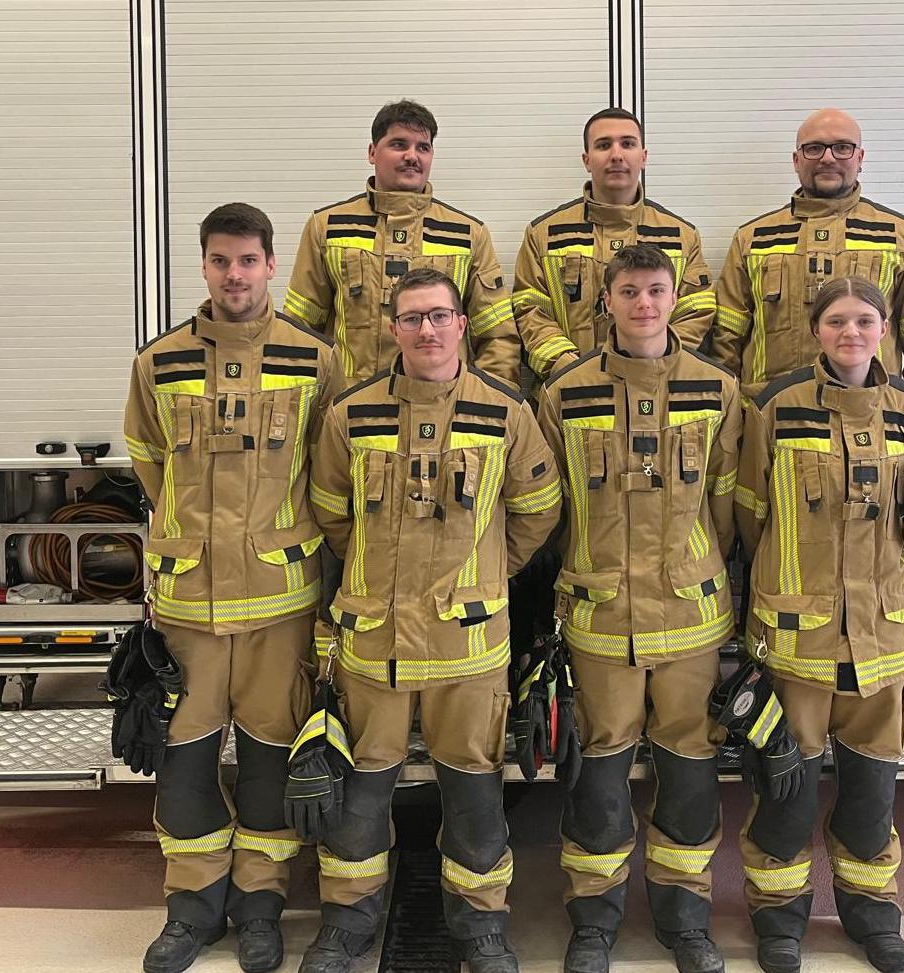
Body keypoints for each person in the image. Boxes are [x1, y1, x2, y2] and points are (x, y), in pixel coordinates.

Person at [301, 267, 562, 973]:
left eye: (439, 315)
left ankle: (481, 927)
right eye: (413, 317)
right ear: (393, 328)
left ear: (461, 324)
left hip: (468, 646)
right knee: (361, 794)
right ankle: (347, 923)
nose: (427, 329)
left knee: (475, 793)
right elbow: (330, 512)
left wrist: (487, 571)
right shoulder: (350, 414)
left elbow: (538, 509)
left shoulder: (506, 412)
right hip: (373, 642)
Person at [124, 203, 336, 973]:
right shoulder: (160, 361)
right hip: (189, 605)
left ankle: (259, 909)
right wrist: (191, 538)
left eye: (248, 260)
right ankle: (191, 910)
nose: (234, 274)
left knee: (269, 761)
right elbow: (150, 459)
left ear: (272, 264)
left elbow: (329, 470)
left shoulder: (315, 359)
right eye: (221, 260)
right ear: (204, 266)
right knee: (184, 763)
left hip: (281, 602)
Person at [536, 244, 741, 973]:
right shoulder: (565, 394)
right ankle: (593, 920)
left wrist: (700, 572)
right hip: (598, 616)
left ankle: (686, 919)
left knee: (688, 769)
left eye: (656, 289)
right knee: (599, 770)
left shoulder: (718, 390)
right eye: (629, 291)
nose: (644, 303)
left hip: (689, 617)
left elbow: (727, 506)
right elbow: (550, 509)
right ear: (607, 301)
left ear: (675, 297)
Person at [733, 276, 904, 973]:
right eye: (836, 321)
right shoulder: (775, 406)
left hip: (883, 638)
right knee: (785, 792)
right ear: (816, 330)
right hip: (799, 638)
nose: (850, 332)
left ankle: (872, 913)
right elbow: (751, 513)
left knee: (870, 794)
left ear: (884, 329)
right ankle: (778, 917)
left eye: (863, 320)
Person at [713, 108, 904, 427]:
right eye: (814, 148)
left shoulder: (900, 236)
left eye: (842, 147)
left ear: (860, 157)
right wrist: (729, 428)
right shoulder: (753, 239)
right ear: (796, 160)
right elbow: (724, 343)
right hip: (770, 422)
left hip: (872, 423)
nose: (827, 158)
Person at [285, 100, 521, 386]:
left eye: (423, 147)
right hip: (349, 405)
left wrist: (487, 401)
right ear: (372, 152)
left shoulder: (468, 234)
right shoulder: (328, 228)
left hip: (443, 402)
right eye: (399, 144)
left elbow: (497, 337)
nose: (412, 156)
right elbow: (299, 332)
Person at [513, 108, 715, 380]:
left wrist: (655, 362)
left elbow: (696, 312)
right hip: (571, 392)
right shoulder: (544, 235)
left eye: (628, 144)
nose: (617, 155)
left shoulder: (681, 236)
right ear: (587, 160)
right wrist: (571, 370)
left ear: (643, 157)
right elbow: (529, 312)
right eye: (604, 145)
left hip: (660, 391)